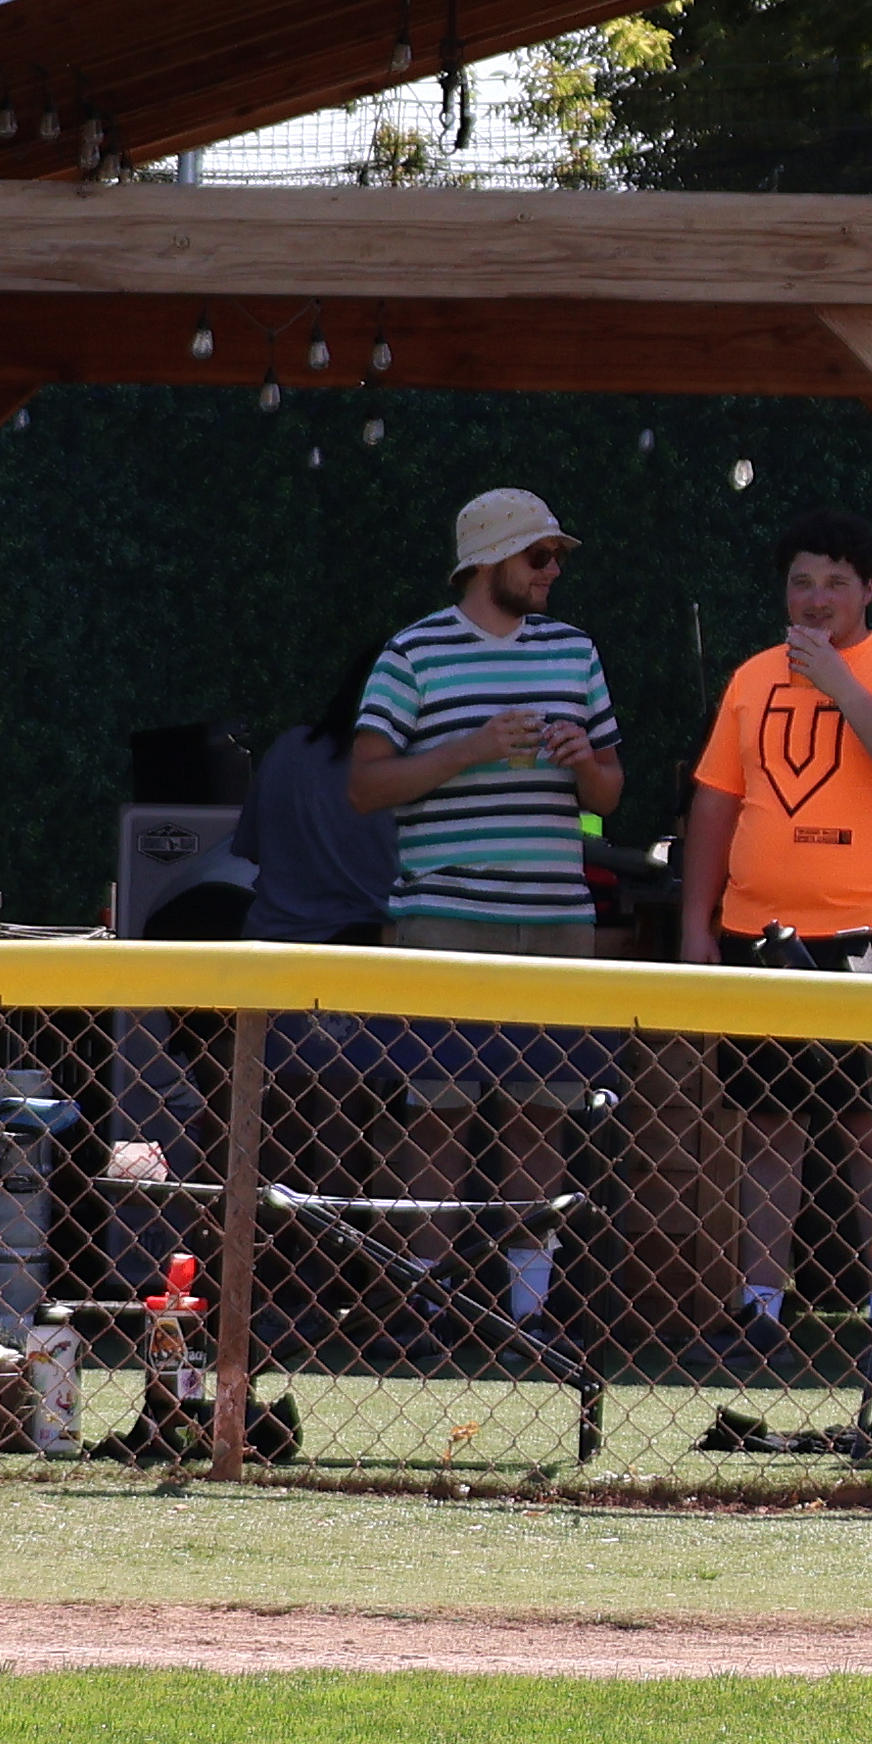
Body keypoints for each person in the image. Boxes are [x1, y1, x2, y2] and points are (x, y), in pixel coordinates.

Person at [679, 511, 872, 1363]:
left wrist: (841, 684)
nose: (817, 596)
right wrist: (696, 925)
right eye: (803, 581)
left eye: (836, 580)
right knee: (767, 1128)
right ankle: (762, 1304)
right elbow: (716, 806)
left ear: (868, 590)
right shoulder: (751, 678)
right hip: (758, 934)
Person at [349, 489, 624, 1279]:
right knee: (439, 1117)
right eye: (539, 557)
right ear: (486, 562)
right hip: (444, 920)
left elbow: (610, 794)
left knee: (542, 1115)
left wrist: (584, 763)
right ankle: (432, 1295)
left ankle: (527, 1309)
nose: (552, 572)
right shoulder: (413, 653)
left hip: (555, 923)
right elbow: (365, 786)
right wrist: (468, 749)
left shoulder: (576, 651)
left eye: (557, 558)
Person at [233, 659, 395, 945]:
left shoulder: (288, 748)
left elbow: (251, 848)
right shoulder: (413, 772)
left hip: (270, 948)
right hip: (366, 959)